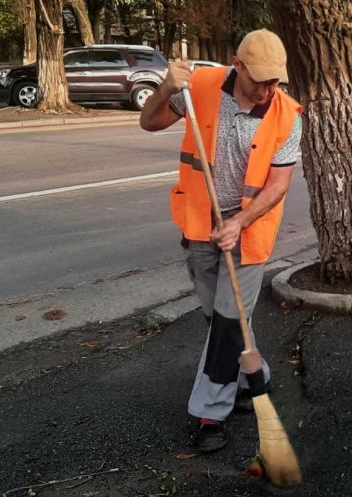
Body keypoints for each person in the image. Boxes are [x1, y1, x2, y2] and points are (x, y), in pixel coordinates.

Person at [139, 29, 302, 452]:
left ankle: (210, 413)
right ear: (238, 65)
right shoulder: (202, 88)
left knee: (229, 321)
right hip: (200, 223)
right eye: (260, 80)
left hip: (249, 231)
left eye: (276, 81)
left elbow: (279, 186)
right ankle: (255, 375)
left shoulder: (287, 115)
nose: (268, 90)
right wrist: (166, 88)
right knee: (218, 318)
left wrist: (240, 221)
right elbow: (149, 121)